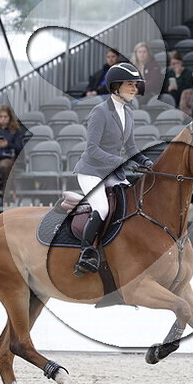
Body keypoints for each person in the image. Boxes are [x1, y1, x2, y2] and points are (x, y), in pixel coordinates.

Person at [72, 62, 153, 275]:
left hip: (111, 172)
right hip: (91, 171)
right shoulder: (100, 112)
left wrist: (145, 161)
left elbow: (131, 147)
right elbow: (92, 149)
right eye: (130, 84)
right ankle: (86, 253)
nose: (135, 88)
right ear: (116, 87)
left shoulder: (129, 113)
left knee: (132, 202)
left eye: (135, 84)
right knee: (103, 208)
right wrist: (120, 162)